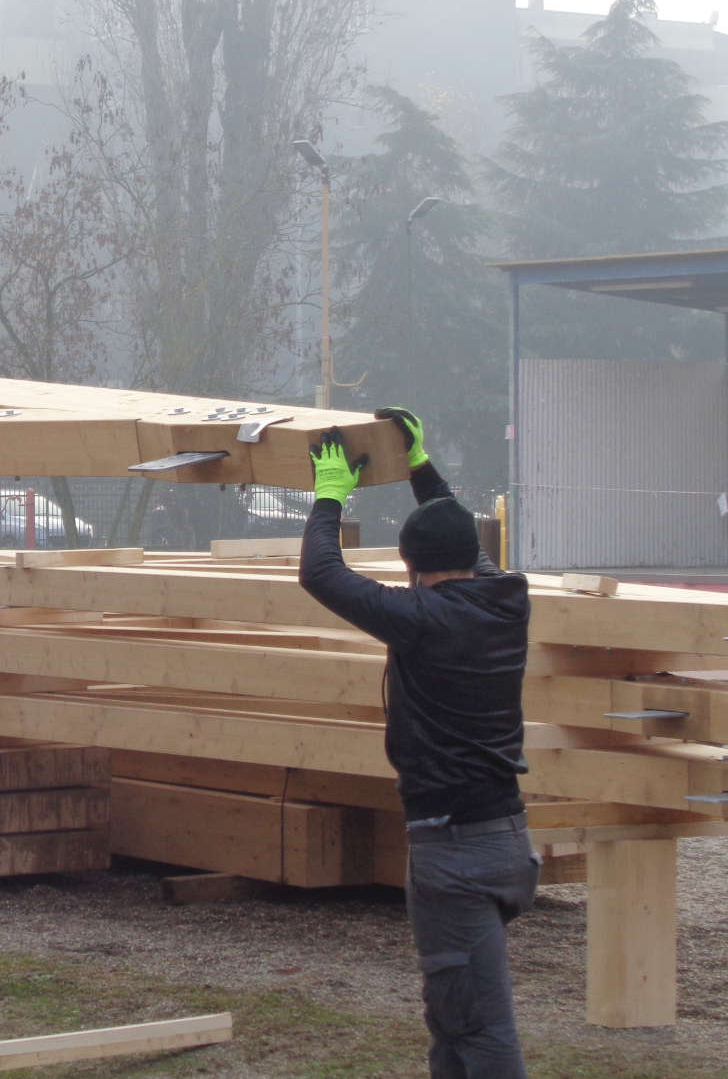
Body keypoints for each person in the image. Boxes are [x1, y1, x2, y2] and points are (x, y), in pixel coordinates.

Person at [298, 408, 539, 1079]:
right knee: (453, 1015)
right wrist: (419, 465)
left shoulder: (421, 619)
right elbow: (457, 530)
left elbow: (320, 574)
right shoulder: (505, 600)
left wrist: (330, 494)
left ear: (411, 567)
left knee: (477, 1023)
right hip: (505, 840)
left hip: (454, 853)